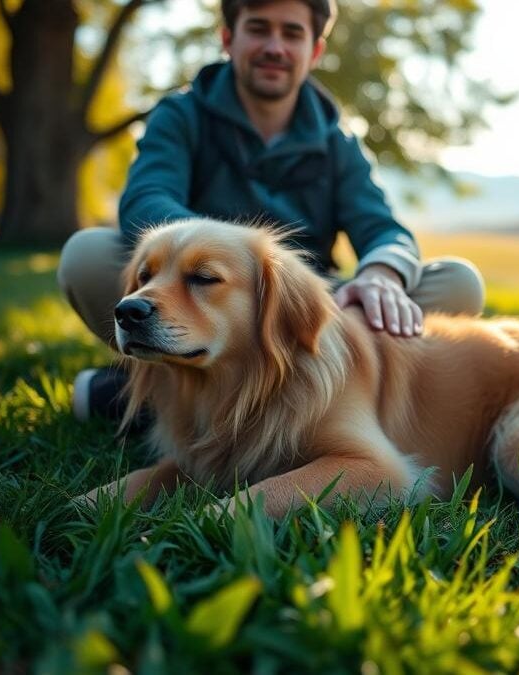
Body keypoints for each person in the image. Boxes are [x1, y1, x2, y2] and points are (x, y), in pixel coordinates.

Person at [58, 0, 485, 421]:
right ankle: (175, 390)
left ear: (314, 51)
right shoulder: (180, 115)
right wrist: (220, 260)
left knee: (458, 283)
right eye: (259, 29)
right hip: (196, 298)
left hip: (303, 308)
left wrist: (380, 276)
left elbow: (383, 229)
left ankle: (163, 401)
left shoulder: (339, 143)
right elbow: (146, 198)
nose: (275, 47)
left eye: (292, 33)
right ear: (228, 39)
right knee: (86, 255)